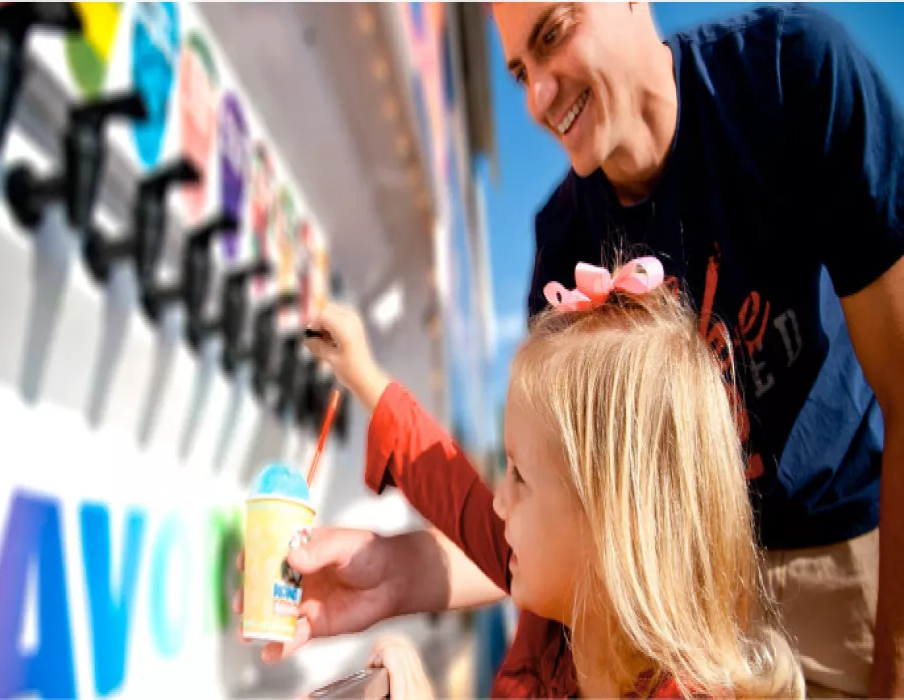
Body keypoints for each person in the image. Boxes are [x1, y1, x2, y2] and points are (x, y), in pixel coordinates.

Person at [496, 3, 904, 696]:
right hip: (680, 614)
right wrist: (404, 570)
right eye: (518, 71)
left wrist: (894, 672)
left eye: (554, 34)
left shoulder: (791, 74)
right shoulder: (563, 244)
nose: (538, 95)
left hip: (849, 564)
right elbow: (551, 509)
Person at [239, 259, 805, 697]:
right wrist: (360, 373)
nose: (499, 502)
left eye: (519, 478)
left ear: (617, 527)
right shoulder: (561, 600)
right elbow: (452, 488)